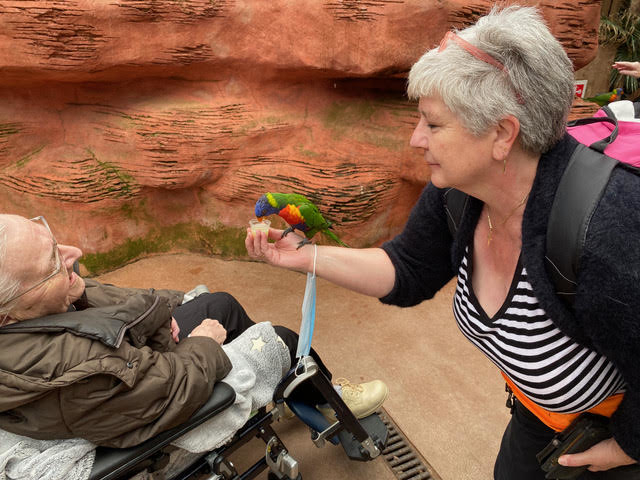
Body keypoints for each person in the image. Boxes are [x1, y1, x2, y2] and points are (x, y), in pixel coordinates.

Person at [246, 6, 640, 479]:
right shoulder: (457, 194)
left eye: (433, 124)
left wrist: (627, 447)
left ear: (502, 134)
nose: (416, 139)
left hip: (608, 438)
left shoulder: (607, 230)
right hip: (538, 420)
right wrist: (306, 257)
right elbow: (407, 268)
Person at [0, 213, 388, 448]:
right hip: (150, 384)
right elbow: (167, 393)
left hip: (132, 359)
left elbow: (113, 302)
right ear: (8, 316)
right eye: (53, 261)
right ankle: (326, 396)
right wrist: (204, 341)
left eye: (54, 242)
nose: (75, 254)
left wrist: (167, 307)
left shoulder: (39, 309)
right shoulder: (73, 372)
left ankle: (291, 392)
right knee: (283, 339)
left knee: (220, 304)